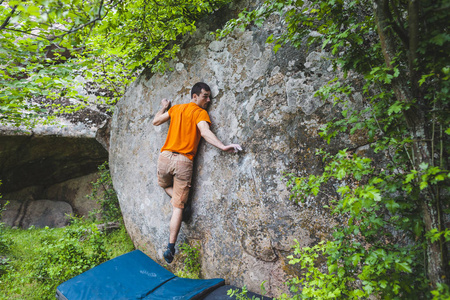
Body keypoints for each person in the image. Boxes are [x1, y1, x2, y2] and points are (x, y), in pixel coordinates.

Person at [152, 82, 242, 264]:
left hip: (165, 157)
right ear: (194, 96)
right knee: (178, 205)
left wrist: (163, 108)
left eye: (209, 97)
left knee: (163, 185)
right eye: (205, 96)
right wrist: (223, 146)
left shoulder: (176, 109)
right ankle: (170, 247)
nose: (208, 100)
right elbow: (205, 132)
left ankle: (179, 201)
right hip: (183, 161)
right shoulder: (200, 113)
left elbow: (156, 120)